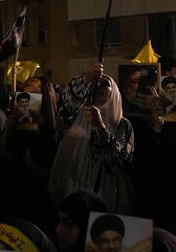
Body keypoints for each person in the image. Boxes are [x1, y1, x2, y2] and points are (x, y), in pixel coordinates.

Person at [48, 63, 136, 212]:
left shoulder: (122, 125)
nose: (99, 86)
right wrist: (86, 78)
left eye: (105, 84)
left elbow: (119, 162)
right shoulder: (75, 116)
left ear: (114, 93)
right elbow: (66, 106)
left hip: (104, 192)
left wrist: (100, 128)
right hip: (71, 187)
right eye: (95, 83)